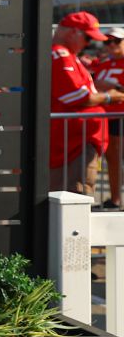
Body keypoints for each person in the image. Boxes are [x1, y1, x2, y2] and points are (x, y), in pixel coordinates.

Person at [52, 11, 123, 198]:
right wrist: (109, 96)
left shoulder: (68, 55)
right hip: (72, 144)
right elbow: (78, 95)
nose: (89, 44)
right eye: (88, 38)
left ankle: (115, 199)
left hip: (80, 140)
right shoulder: (61, 55)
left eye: (116, 41)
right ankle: (115, 200)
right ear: (73, 32)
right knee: (76, 199)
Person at [93, 26, 124, 209]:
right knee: (112, 160)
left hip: (121, 116)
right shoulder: (104, 64)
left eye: (116, 41)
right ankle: (115, 199)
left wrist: (116, 88)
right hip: (106, 117)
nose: (111, 45)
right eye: (107, 41)